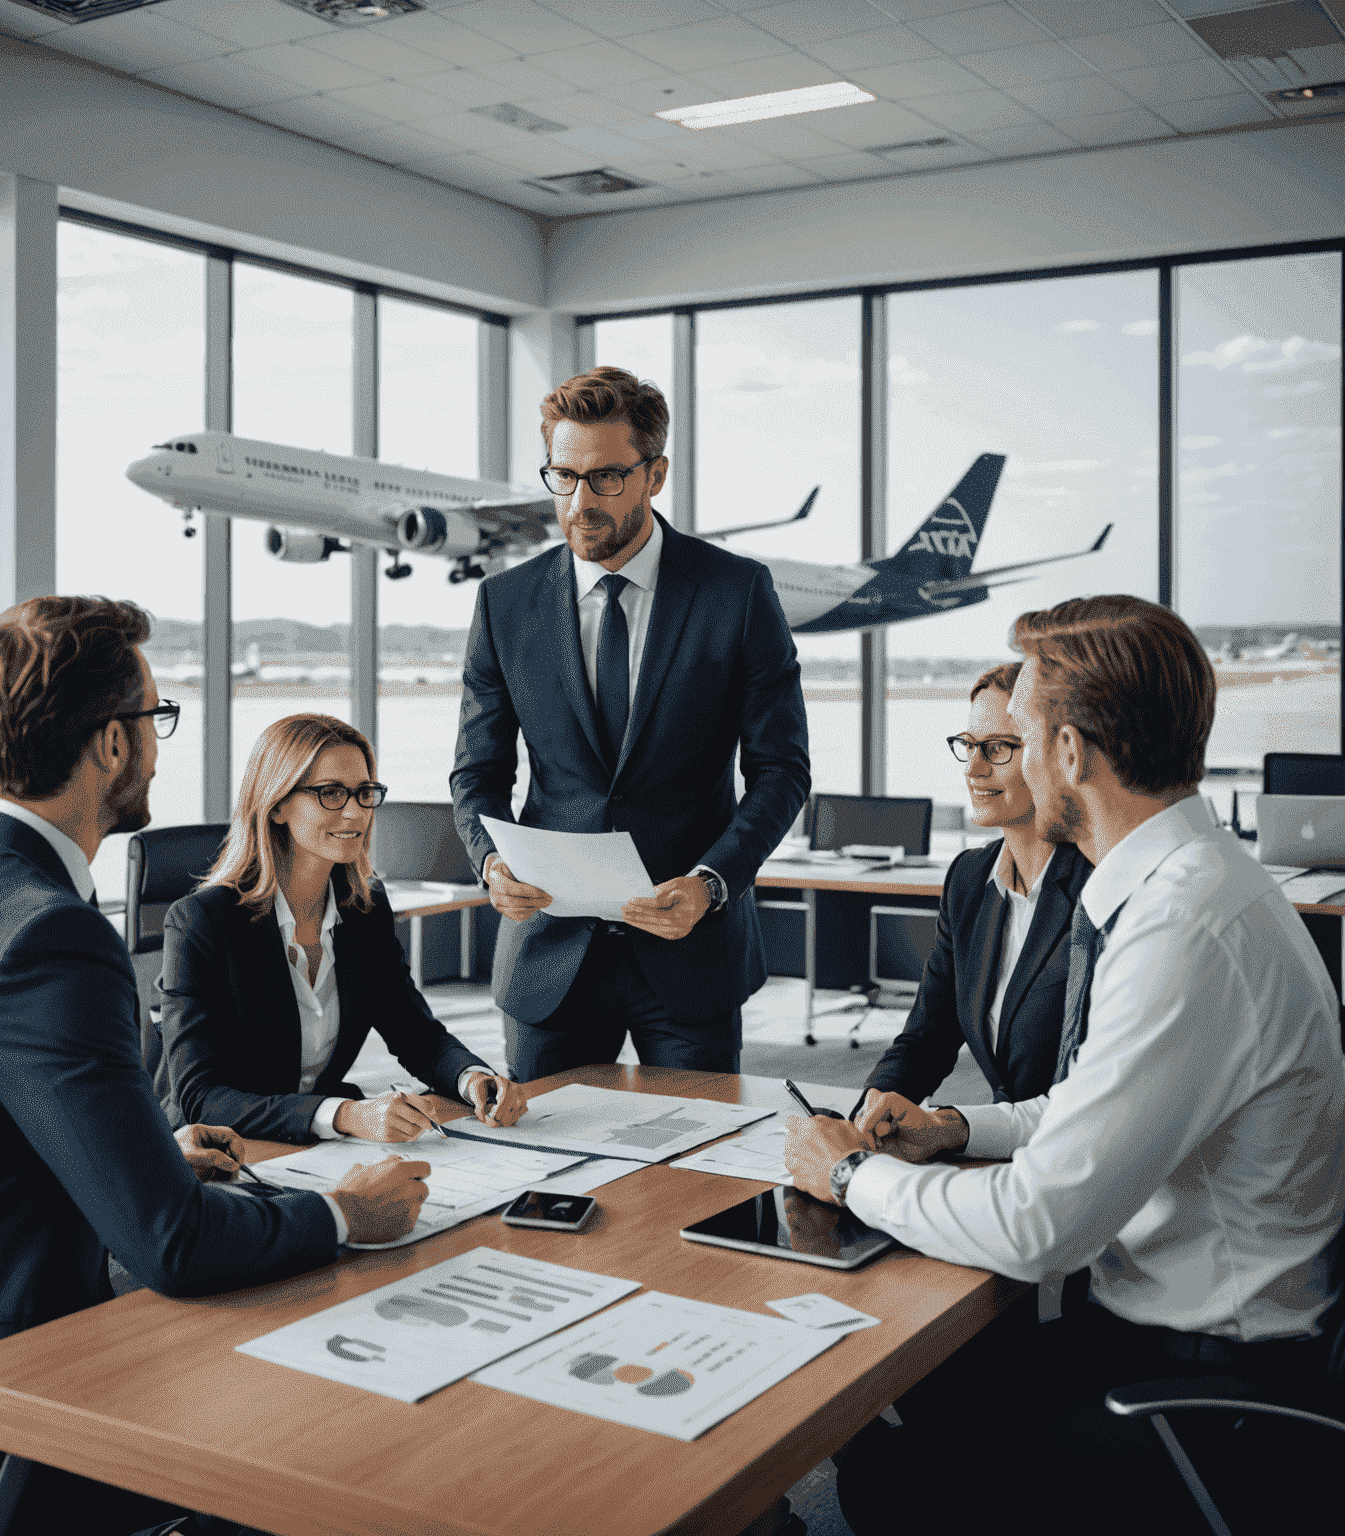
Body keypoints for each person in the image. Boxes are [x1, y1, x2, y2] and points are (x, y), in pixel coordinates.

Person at [784, 595, 1345, 1534]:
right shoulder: (1190, 885)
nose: (1014, 759)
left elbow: (1040, 1226)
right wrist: (957, 1126)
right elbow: (1095, 1103)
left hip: (1212, 1380)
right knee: (914, 1381)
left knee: (891, 1470)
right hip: (1167, 1326)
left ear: (1073, 754)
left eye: (1025, 737)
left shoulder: (1184, 927)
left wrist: (850, 1174)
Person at [0, 598, 431, 1427]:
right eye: (157, 719)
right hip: (14, 1378)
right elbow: (175, 1248)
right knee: (348, 1411)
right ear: (113, 743)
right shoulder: (51, 936)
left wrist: (150, 1155)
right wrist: (345, 1211)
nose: (157, 746)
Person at [451, 365, 811, 1081]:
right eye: (563, 476)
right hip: (548, 953)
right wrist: (491, 865)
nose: (580, 502)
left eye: (607, 478)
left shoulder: (736, 593)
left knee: (706, 1176)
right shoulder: (505, 604)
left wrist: (711, 883)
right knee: (545, 1180)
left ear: (655, 473)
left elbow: (780, 771)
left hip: (690, 953)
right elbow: (478, 773)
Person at [159, 713, 530, 1142]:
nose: (355, 812)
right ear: (276, 804)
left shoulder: (364, 912)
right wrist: (344, 1116)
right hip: (217, 1156)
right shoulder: (202, 922)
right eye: (331, 793)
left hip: (319, 1151)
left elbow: (416, 1035)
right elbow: (201, 1097)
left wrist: (473, 1079)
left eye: (364, 792)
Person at [855, 662, 1093, 1117]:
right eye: (969, 746)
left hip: (1071, 1152)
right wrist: (873, 1107)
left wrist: (953, 1127)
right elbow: (929, 1035)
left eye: (999, 748)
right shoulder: (969, 878)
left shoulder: (1097, 886)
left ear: (1057, 755)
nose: (974, 769)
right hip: (1002, 1151)